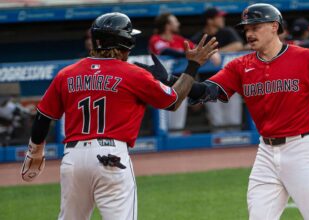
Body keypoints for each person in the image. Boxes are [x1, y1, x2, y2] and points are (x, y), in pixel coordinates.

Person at [144, 3, 309, 219]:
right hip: (266, 153)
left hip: (303, 149)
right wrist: (171, 79)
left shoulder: (306, 58)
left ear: (274, 26)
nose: (249, 33)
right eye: (246, 29)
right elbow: (206, 91)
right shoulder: (239, 66)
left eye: (255, 27)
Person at [20, 12, 218, 220]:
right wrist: (193, 65)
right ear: (125, 42)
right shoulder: (133, 73)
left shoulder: (67, 73)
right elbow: (173, 101)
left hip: (73, 159)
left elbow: (43, 115)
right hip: (111, 158)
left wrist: (35, 152)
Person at [191, 7, 244, 131]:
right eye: (219, 17)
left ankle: (235, 148)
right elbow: (192, 58)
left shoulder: (226, 32)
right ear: (209, 20)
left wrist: (215, 52)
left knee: (234, 122)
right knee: (217, 123)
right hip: (209, 86)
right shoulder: (199, 37)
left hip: (230, 84)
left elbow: (238, 45)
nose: (222, 19)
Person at [148, 13, 195, 132]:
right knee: (164, 124)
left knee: (177, 126)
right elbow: (165, 51)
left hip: (178, 84)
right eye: (175, 21)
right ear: (167, 25)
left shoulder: (179, 39)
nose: (178, 24)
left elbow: (196, 48)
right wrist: (187, 54)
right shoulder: (155, 39)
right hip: (160, 87)